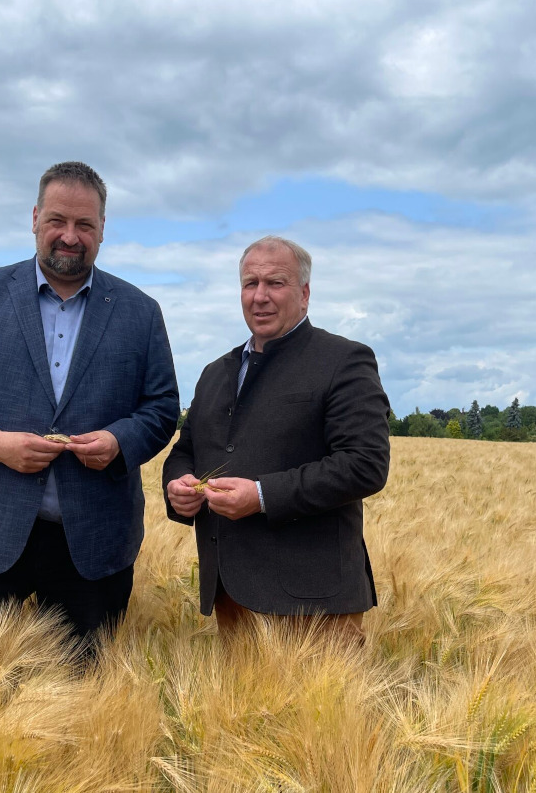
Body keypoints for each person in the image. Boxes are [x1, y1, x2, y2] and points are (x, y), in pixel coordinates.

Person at [0, 161, 179, 654]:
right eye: (57, 220)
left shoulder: (141, 312)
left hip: (93, 547)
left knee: (82, 703)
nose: (70, 236)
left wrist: (119, 442)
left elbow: (161, 408)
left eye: (85, 225)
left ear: (103, 231)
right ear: (34, 218)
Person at [163, 236, 390, 643]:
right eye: (250, 284)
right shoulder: (216, 372)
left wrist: (262, 495)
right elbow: (186, 452)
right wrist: (178, 486)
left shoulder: (344, 360)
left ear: (304, 294)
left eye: (275, 283)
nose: (260, 297)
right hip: (229, 595)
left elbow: (365, 464)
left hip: (314, 604)